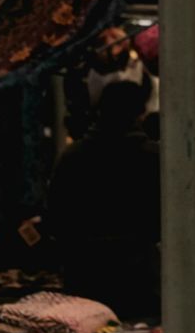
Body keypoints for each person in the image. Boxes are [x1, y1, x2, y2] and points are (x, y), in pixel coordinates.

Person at [47, 80, 160, 319]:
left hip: (84, 272)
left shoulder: (73, 156)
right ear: (140, 113)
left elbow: (55, 217)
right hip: (138, 274)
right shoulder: (153, 157)